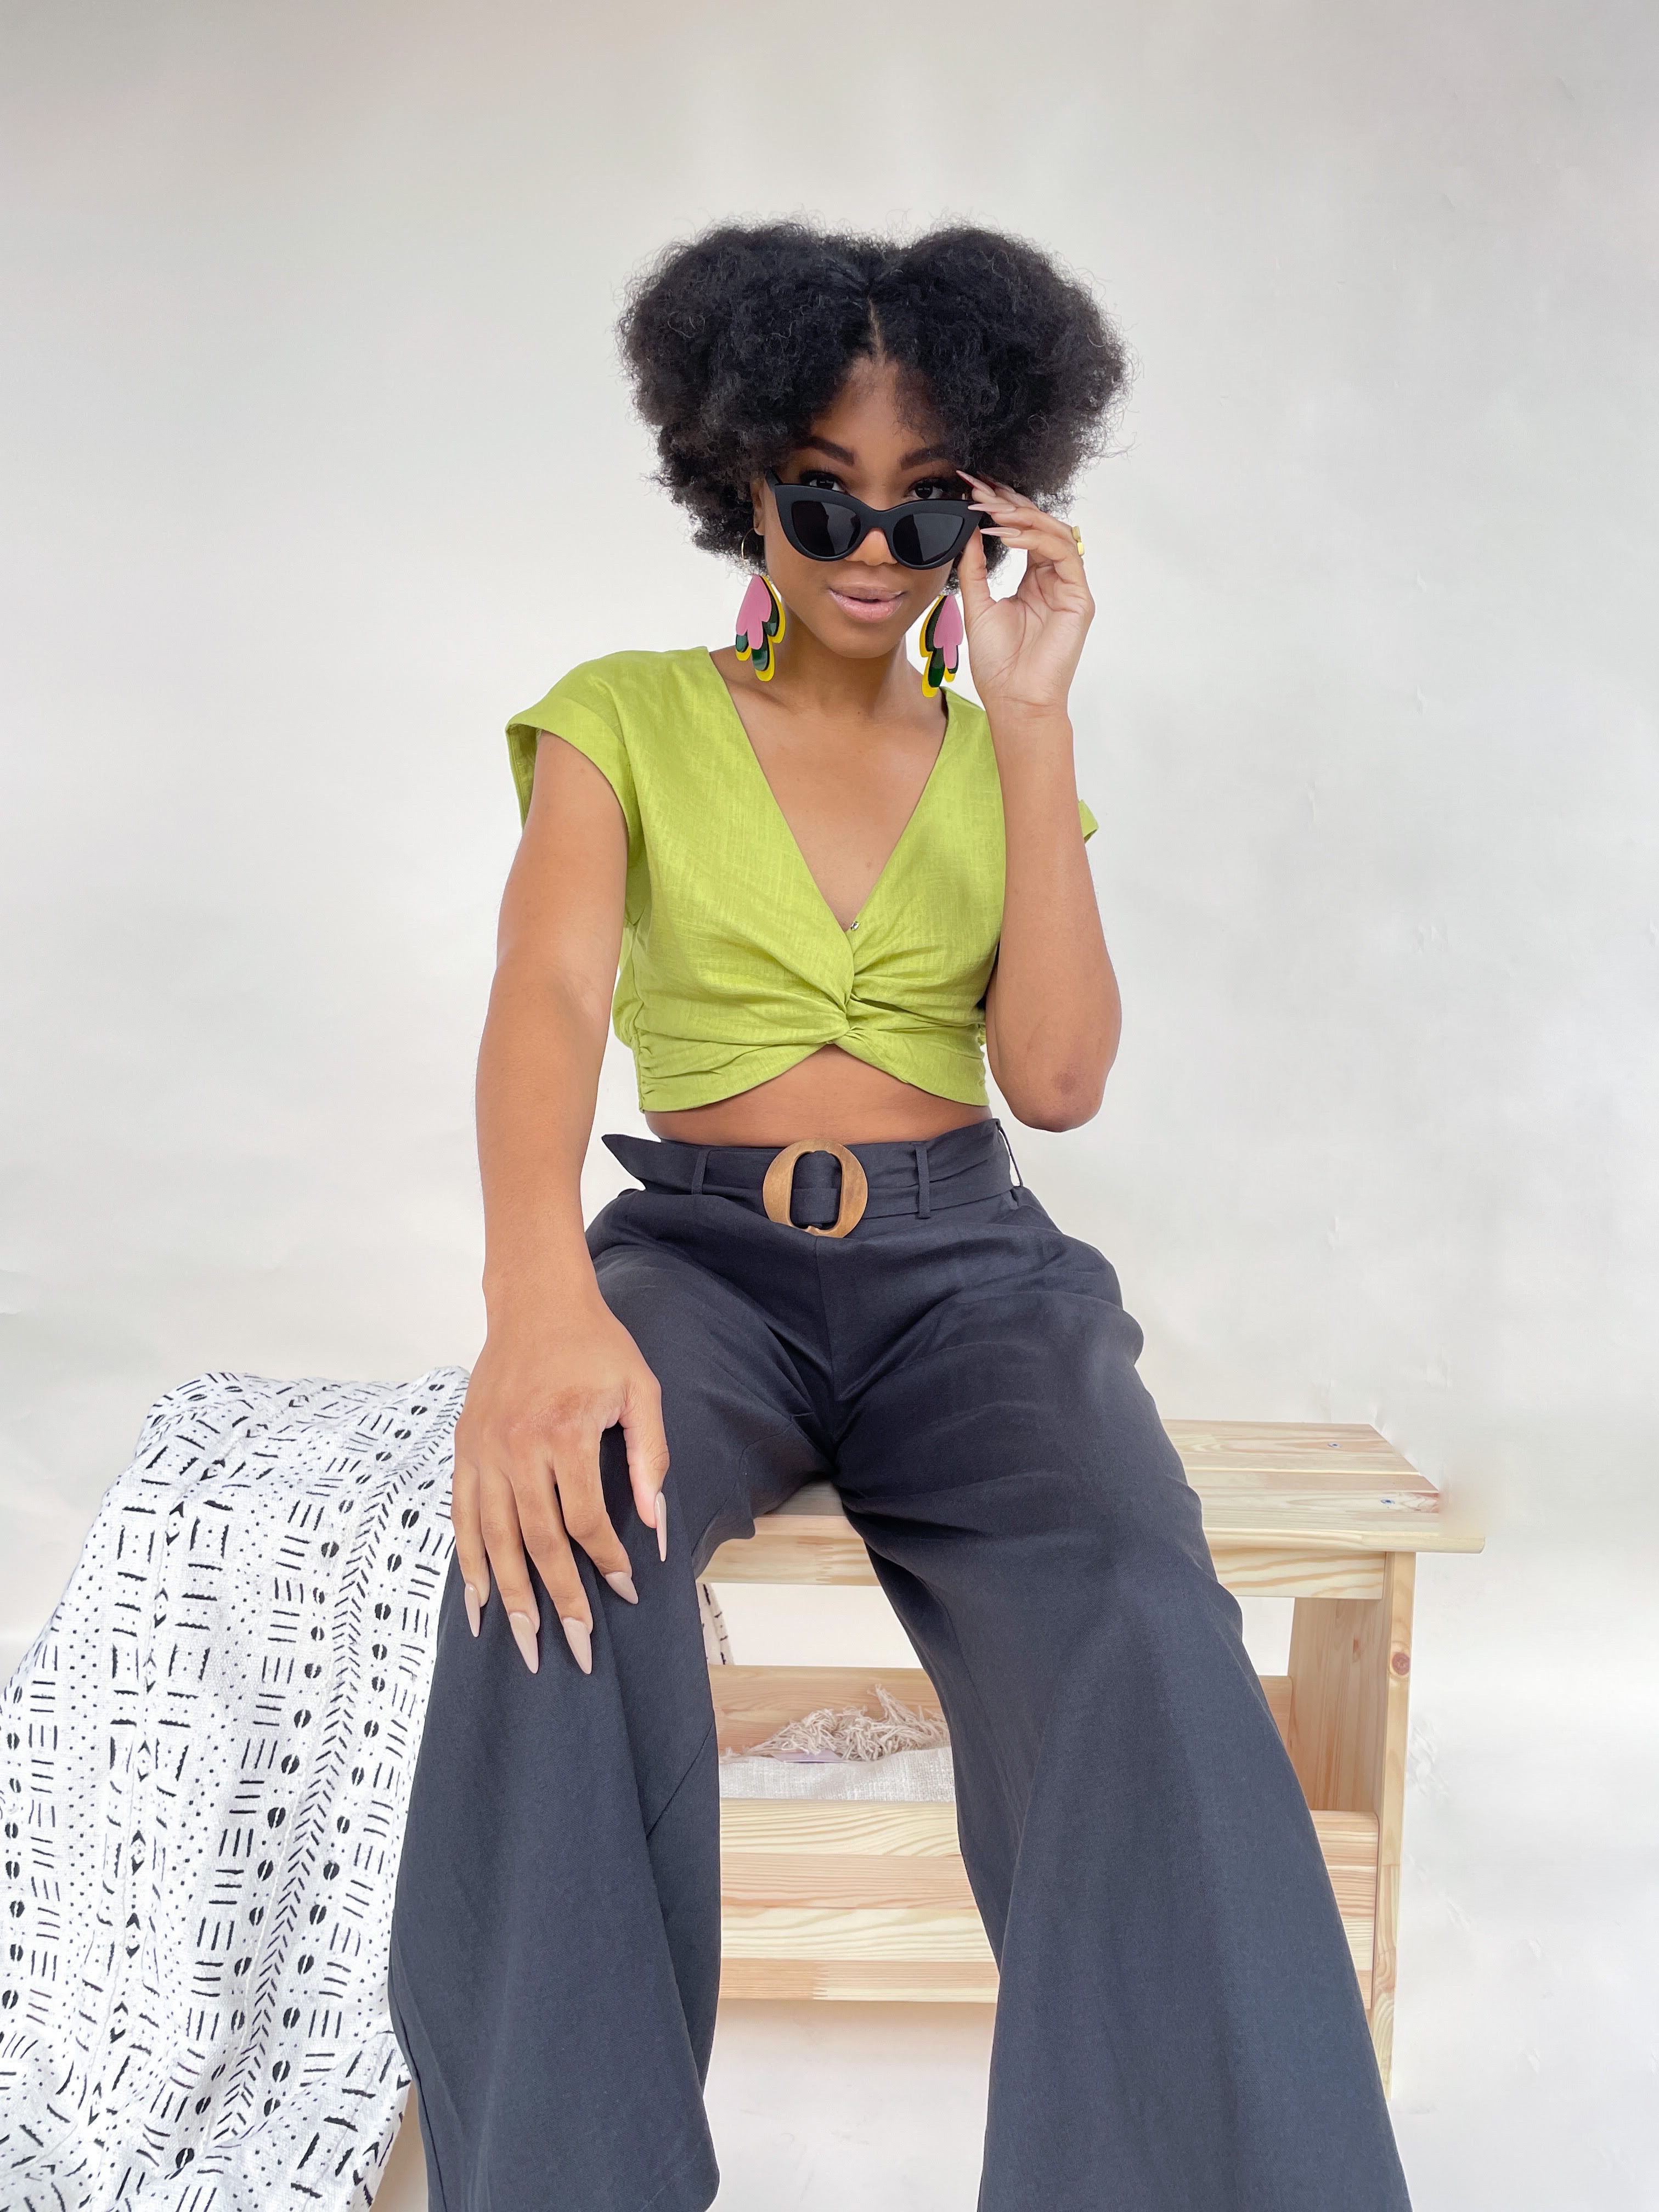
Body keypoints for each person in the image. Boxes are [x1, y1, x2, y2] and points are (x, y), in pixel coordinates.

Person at [386, 221, 1413, 2212]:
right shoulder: (623, 720)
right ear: (736, 481)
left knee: (1137, 1602)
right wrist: (535, 1307)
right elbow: (548, 997)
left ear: (989, 508)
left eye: (925, 505)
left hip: (969, 1275)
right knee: (553, 1564)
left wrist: (1032, 722)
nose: (870, 547)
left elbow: (1058, 1077)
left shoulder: (996, 756)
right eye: (821, 497)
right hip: (699, 1260)